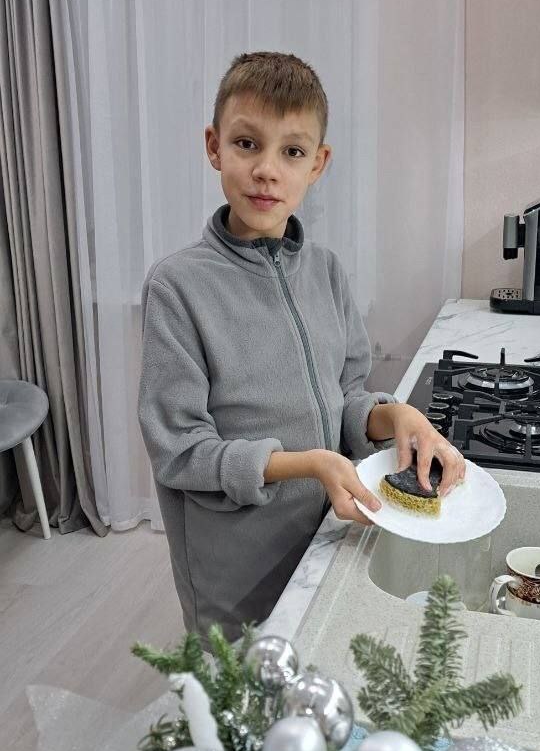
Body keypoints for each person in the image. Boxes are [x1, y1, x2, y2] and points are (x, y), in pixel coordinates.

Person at [138, 51, 465, 642]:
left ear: (318, 163)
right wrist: (309, 464)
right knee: (248, 688)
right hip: (235, 570)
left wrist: (398, 416)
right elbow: (180, 451)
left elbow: (346, 397)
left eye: (291, 152)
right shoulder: (176, 288)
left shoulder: (327, 272)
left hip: (329, 536)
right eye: (247, 144)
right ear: (214, 147)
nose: (267, 170)